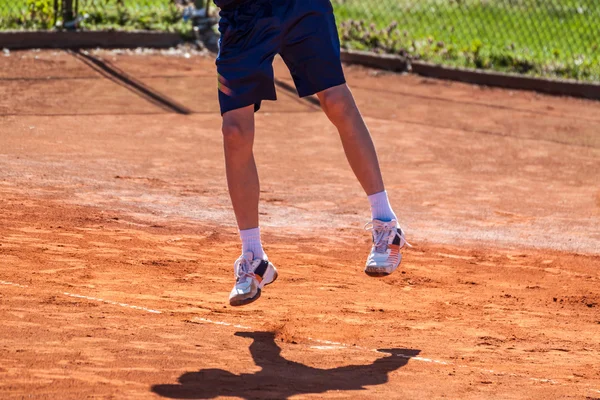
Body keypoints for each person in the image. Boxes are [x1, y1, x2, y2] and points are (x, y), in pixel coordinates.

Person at [214, 0, 410, 307]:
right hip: (242, 15)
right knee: (234, 131)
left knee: (336, 100)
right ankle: (253, 258)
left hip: (299, 5)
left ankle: (386, 224)